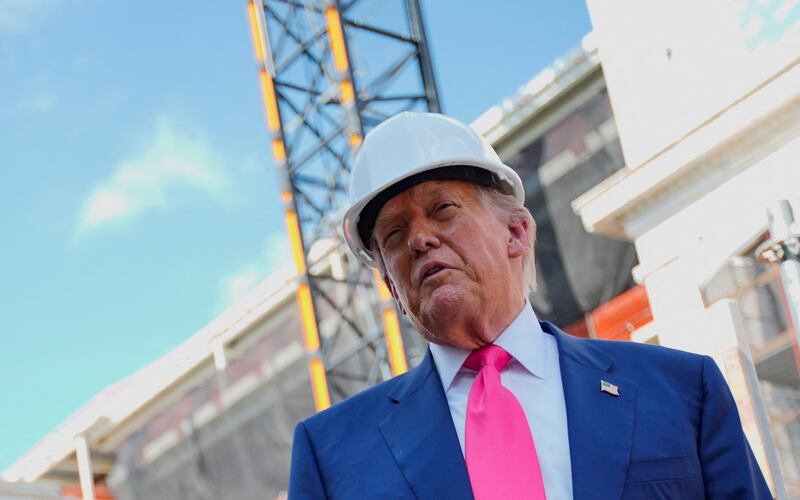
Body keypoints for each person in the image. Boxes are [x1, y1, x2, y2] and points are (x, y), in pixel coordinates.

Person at [288, 112, 771, 499]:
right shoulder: (331, 456)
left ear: (516, 233)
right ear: (392, 286)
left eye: (443, 210)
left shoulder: (682, 391)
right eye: (393, 234)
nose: (419, 238)